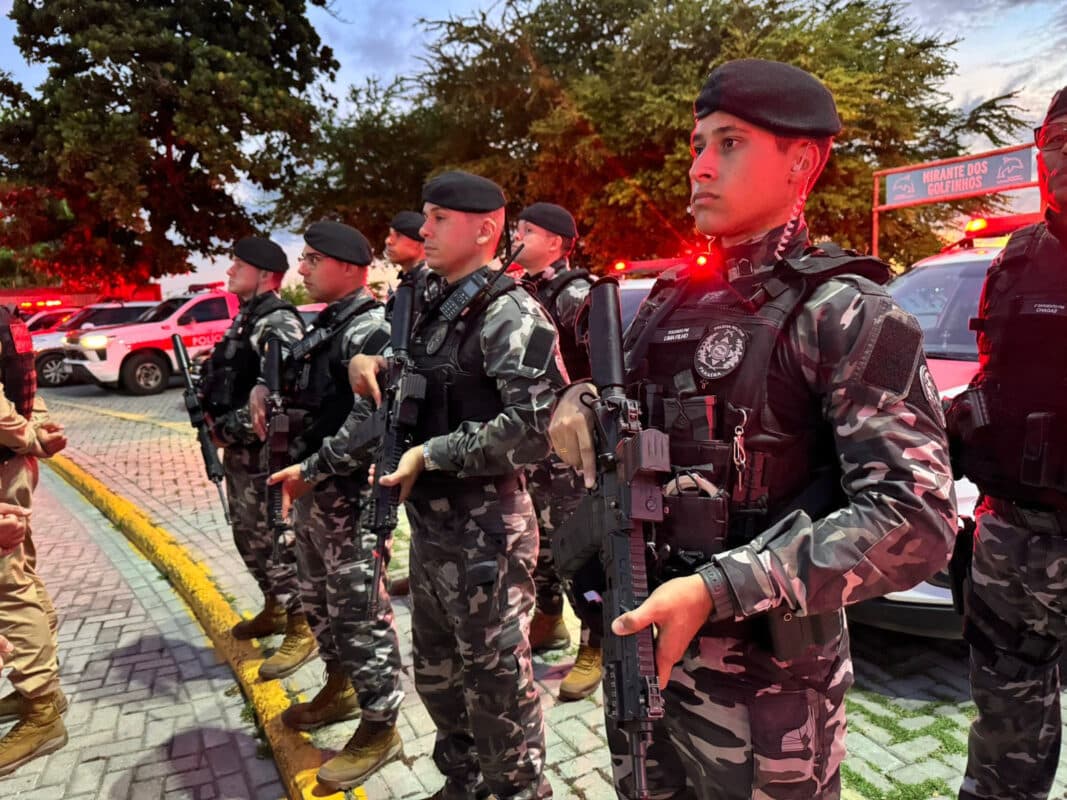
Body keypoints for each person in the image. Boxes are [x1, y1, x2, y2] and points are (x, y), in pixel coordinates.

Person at [548, 58, 957, 799]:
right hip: (644, 655)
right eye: (698, 144)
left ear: (801, 160)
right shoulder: (668, 302)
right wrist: (577, 398)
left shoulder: (847, 312)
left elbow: (915, 519)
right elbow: (629, 419)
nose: (698, 166)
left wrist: (719, 586)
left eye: (728, 143)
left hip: (767, 700)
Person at [348, 171, 564, 799]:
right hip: (436, 532)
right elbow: (423, 374)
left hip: (488, 535)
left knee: (496, 685)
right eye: (426, 216)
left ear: (485, 229)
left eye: (439, 217)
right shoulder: (432, 302)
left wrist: (431, 453)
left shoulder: (510, 311)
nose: (425, 229)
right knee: (439, 677)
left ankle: (519, 791)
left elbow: (534, 429)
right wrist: (371, 362)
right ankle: (464, 784)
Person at [949, 86, 1067, 800]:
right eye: (1056, 146)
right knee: (1004, 738)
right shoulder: (1016, 257)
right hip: (1016, 538)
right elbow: (998, 377)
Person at [263, 220, 404, 790]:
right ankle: (340, 685)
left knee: (359, 612)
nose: (302, 269)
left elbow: (372, 420)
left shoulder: (370, 328)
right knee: (321, 601)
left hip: (350, 496)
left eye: (313, 259)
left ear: (349, 266)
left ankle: (380, 724)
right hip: (318, 497)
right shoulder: (327, 326)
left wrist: (313, 470)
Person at [200, 236, 313, 680]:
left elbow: (283, 400)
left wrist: (231, 429)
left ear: (265, 275)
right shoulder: (246, 318)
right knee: (249, 536)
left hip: (266, 455)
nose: (229, 272)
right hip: (243, 457)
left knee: (277, 538)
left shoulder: (277, 323)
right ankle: (275, 606)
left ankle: (301, 624)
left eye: (238, 265)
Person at [513, 201, 604, 700]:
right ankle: (549, 617)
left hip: (568, 454)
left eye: (527, 231)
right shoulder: (523, 292)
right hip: (530, 446)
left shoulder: (574, 294)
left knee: (578, 548)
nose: (517, 237)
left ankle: (595, 638)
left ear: (555, 243)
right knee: (539, 547)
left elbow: (603, 364)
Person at [0, 306, 70, 776]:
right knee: (17, 575)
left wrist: (31, 436)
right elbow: (23, 388)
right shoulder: (7, 315)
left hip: (4, 465)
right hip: (10, 464)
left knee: (8, 587)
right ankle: (43, 688)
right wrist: (37, 431)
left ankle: (41, 704)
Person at [381, 209, 429, 599]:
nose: (388, 242)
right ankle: (420, 571)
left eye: (397, 236)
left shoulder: (433, 286)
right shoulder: (406, 286)